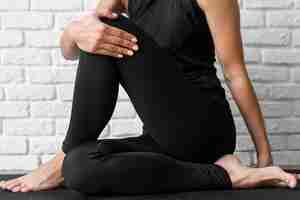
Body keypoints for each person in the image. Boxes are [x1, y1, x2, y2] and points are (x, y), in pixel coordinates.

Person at [1, 0, 299, 194]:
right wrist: (72, 31)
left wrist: (264, 154)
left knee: (110, 28)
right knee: (80, 167)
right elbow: (74, 50)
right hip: (162, 135)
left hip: (204, 128)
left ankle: (61, 156)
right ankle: (225, 174)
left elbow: (235, 73)